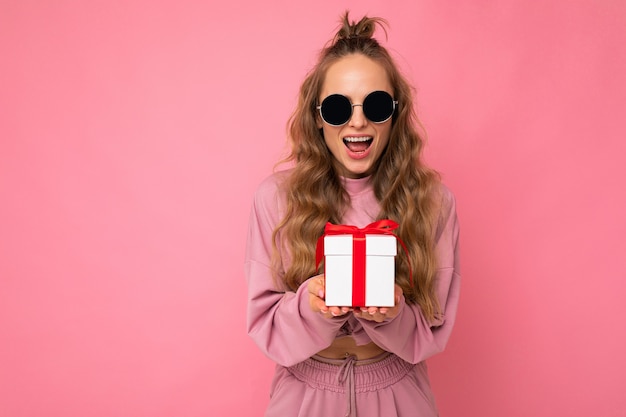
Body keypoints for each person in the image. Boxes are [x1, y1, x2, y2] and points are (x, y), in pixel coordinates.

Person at [245, 11, 460, 417]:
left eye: (376, 105)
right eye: (338, 107)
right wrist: (313, 304)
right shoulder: (275, 199)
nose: (357, 120)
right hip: (304, 394)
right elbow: (264, 324)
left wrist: (394, 313)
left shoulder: (434, 202)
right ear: (318, 116)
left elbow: (434, 327)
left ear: (395, 115)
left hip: (399, 392)